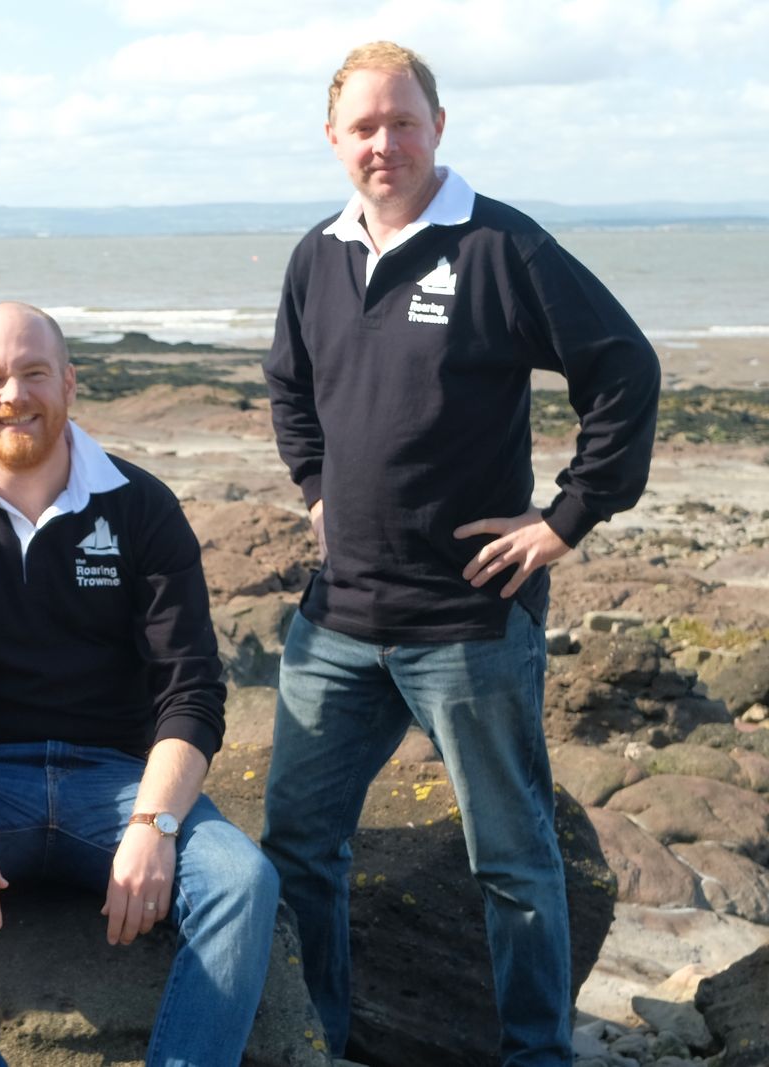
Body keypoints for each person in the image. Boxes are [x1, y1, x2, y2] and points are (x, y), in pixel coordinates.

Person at [261, 41, 661, 1067]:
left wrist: (565, 518)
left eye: (403, 122)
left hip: (469, 622)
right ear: (332, 138)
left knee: (514, 863)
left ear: (437, 126)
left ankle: (534, 1056)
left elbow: (623, 368)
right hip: (337, 621)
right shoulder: (316, 255)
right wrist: (316, 489)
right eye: (364, 126)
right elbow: (289, 384)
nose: (384, 143)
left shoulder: (500, 246)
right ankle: (322, 1044)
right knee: (298, 849)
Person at [0, 301, 279, 1066]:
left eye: (33, 372)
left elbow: (191, 692)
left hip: (117, 782)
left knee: (242, 879)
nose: (13, 394)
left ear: (69, 383)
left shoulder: (142, 508)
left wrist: (154, 825)